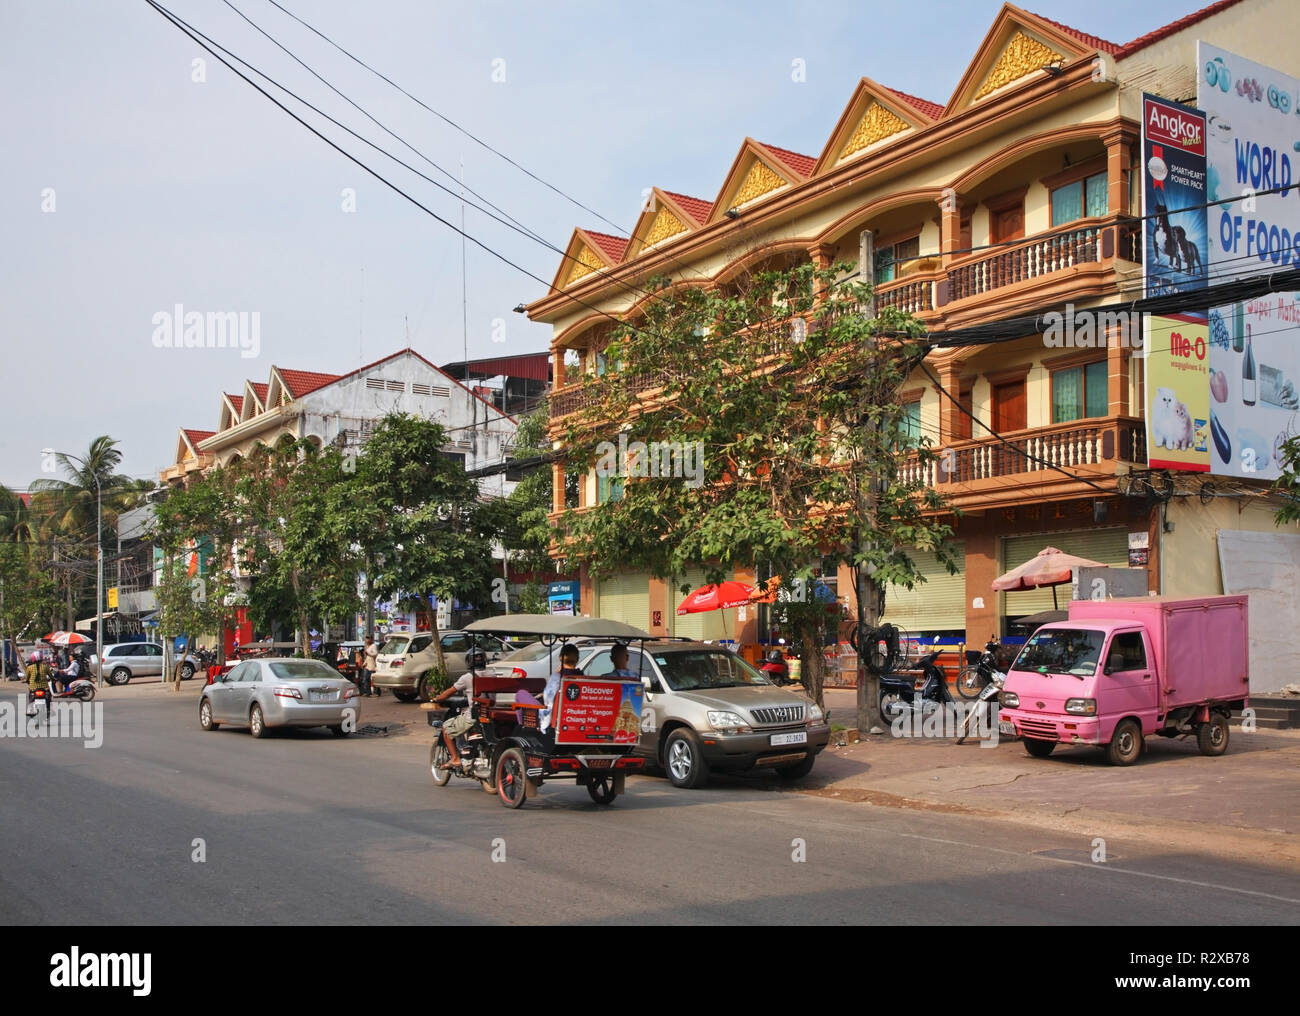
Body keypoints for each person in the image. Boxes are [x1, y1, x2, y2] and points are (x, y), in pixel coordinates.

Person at [433, 669, 477, 770]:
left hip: (475, 716)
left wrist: (437, 699)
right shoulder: (492, 674)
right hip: (491, 715)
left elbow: (449, 692)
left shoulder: (468, 677)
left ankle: (455, 758)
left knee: (446, 727)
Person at [539, 644, 585, 735]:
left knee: (521, 694)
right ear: (577, 658)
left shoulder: (557, 677)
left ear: (560, 658)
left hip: (556, 718)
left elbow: (548, 699)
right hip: (577, 717)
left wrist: (543, 695)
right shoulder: (582, 678)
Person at [26, 651, 52, 717]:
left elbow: (27, 678)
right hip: (44, 688)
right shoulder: (45, 667)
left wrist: (26, 681)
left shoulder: (29, 668)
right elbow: (51, 676)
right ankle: (48, 709)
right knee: (49, 697)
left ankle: (31, 709)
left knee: (31, 697)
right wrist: (54, 679)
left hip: (33, 688)